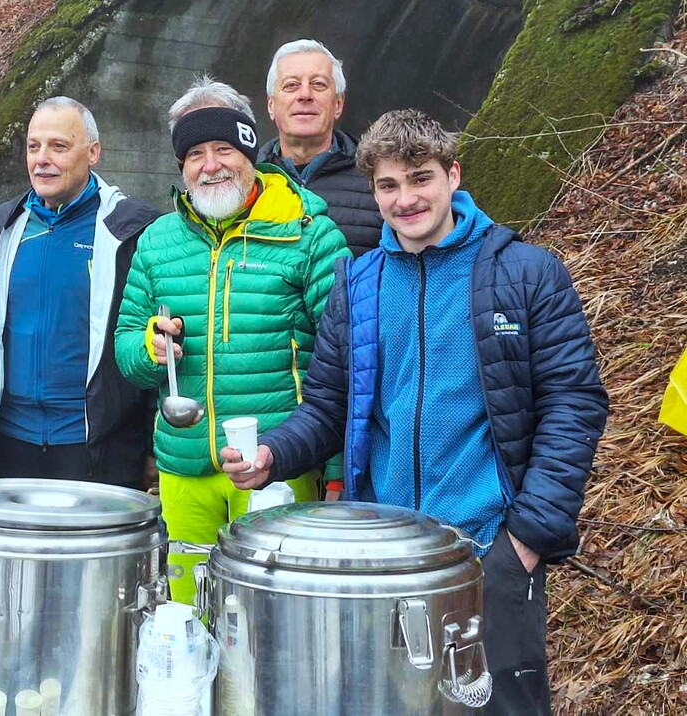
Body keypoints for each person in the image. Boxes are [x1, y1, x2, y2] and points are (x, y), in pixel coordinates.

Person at [223, 109, 608, 715]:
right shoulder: (358, 283)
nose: (405, 199)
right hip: (386, 557)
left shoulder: (526, 274)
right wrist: (273, 454)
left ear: (453, 175)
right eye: (388, 185)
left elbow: (574, 404)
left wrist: (528, 537)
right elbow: (327, 406)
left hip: (489, 548)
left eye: (420, 178)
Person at [114, 83, 350, 602]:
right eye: (195, 154)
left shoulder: (308, 233)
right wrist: (150, 351)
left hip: (277, 465)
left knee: (272, 617)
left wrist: (335, 474)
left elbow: (343, 362)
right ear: (181, 167)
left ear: (249, 152)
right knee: (188, 615)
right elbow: (125, 346)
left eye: (223, 149)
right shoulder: (156, 241)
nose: (211, 165)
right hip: (183, 468)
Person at [0, 97, 159, 487]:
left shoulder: (132, 230)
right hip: (13, 442)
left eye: (58, 146)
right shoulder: (3, 226)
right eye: (33, 146)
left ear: (93, 153)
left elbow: (153, 343)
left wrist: (152, 447)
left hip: (98, 445)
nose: (42, 159)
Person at [258, 39, 381, 257]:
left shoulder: (377, 177)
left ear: (338, 104)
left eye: (318, 84)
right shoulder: (248, 181)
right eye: (291, 85)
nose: (305, 95)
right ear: (271, 105)